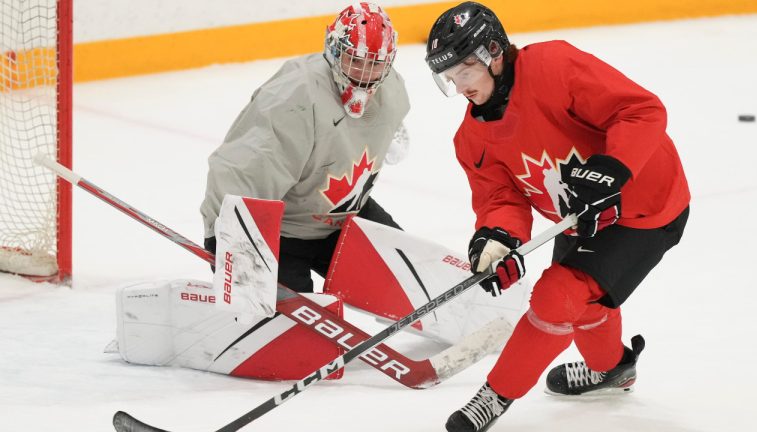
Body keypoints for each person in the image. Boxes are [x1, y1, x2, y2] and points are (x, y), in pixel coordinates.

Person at [424, 2, 690, 431]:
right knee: (579, 305)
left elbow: (642, 110)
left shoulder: (553, 66)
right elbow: (501, 200)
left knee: (556, 295)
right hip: (582, 216)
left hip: (647, 204)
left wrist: (611, 169)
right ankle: (614, 369)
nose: (460, 88)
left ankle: (493, 397)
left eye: (465, 73)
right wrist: (496, 237)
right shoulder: (471, 139)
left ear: (493, 52)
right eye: (450, 78)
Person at [201, 2, 409, 293]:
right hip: (281, 233)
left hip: (346, 216)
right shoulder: (295, 97)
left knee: (410, 275)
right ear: (335, 51)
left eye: (375, 64)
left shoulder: (393, 91)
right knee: (300, 329)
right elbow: (243, 169)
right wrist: (223, 232)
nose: (365, 74)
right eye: (356, 60)